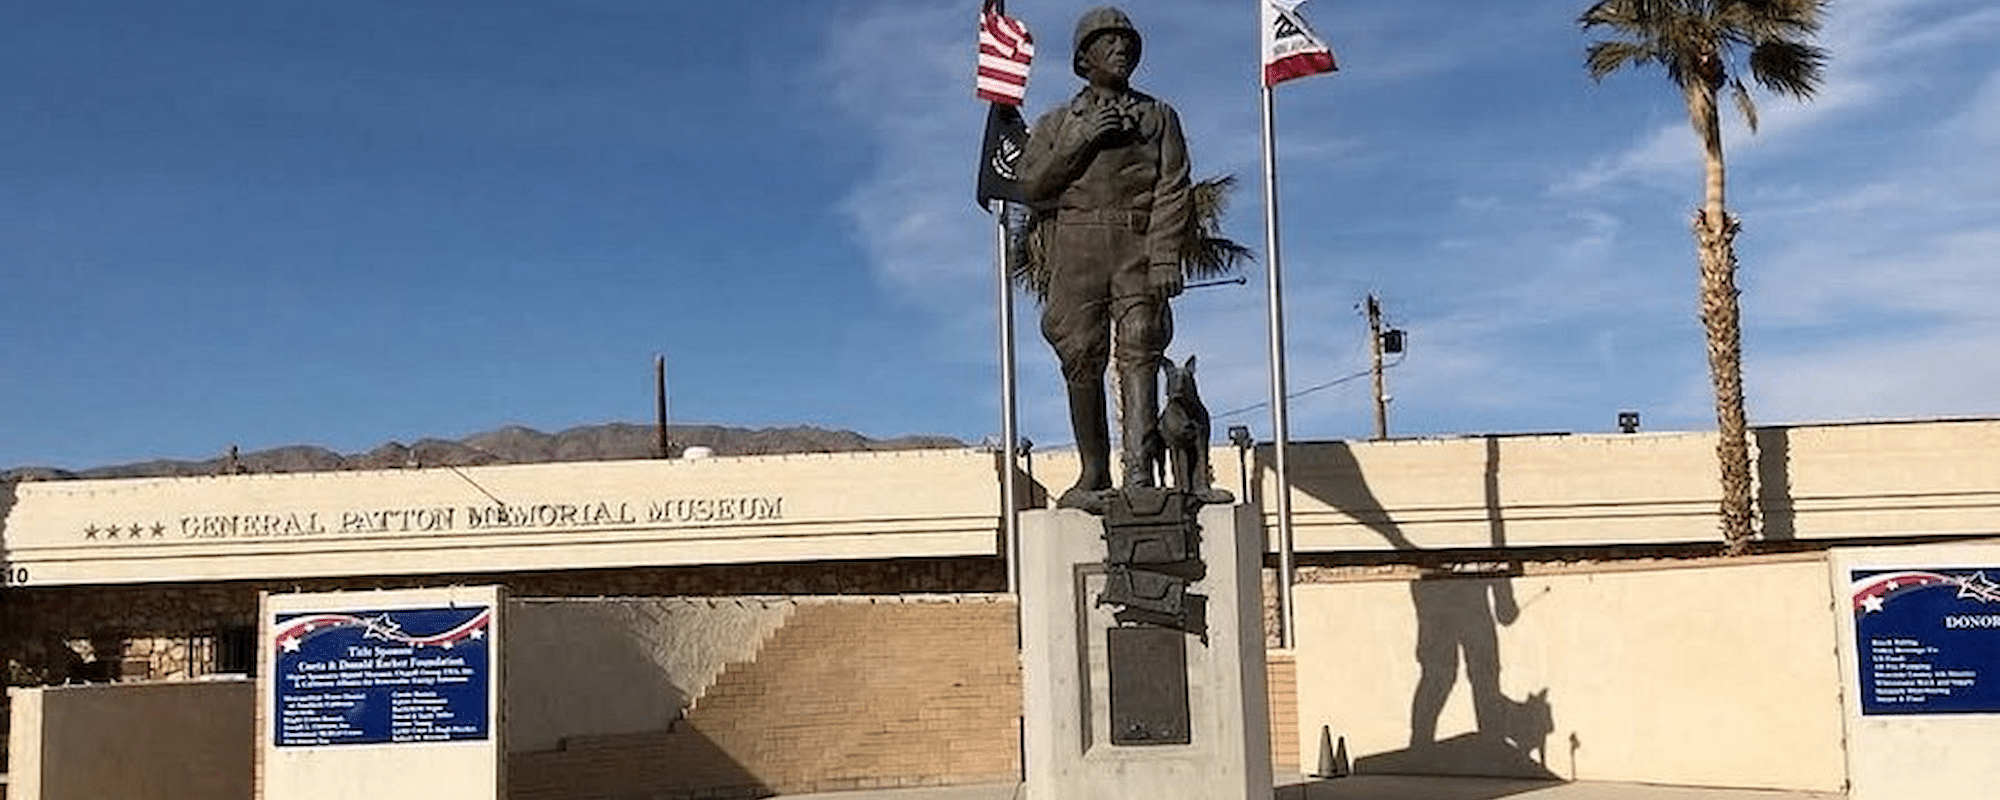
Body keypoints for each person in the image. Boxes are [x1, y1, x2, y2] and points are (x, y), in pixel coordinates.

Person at [1018, 6, 1192, 510]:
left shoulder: (1158, 116)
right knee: (1080, 352)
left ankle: (1139, 473)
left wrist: (1163, 255)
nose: (1121, 50)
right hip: (1078, 246)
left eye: (1127, 43)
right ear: (1084, 57)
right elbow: (1031, 186)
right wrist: (1083, 137)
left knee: (1141, 343)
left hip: (1136, 244)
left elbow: (1173, 187)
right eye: (1108, 42)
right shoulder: (1057, 122)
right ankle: (1093, 471)